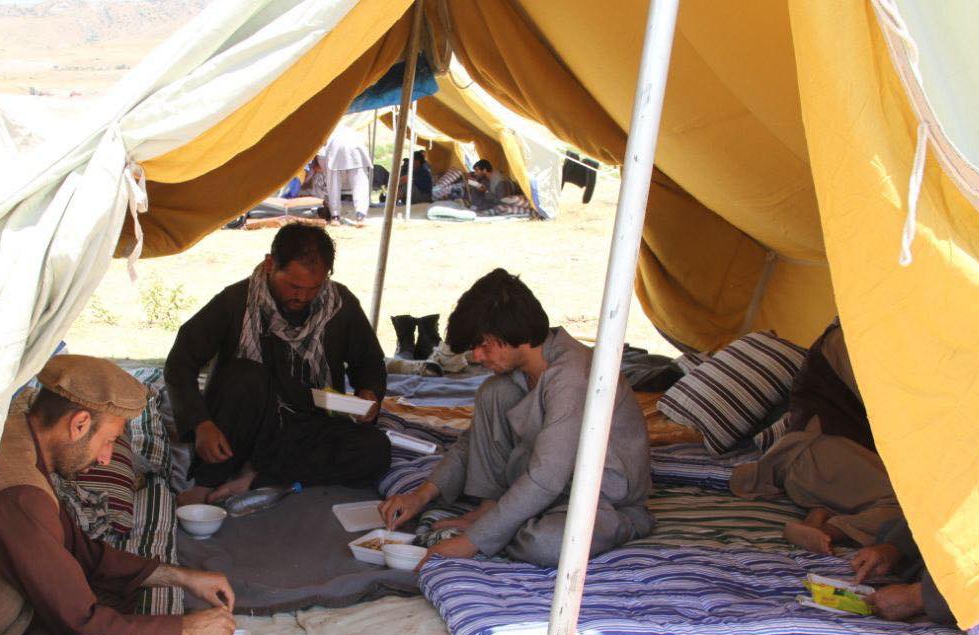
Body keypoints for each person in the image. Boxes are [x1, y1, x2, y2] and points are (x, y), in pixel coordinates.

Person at [0, 355, 237, 635]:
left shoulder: (24, 439)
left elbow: (82, 552)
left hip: (20, 609)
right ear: (79, 424)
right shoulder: (20, 496)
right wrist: (183, 629)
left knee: (116, 595)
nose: (106, 458)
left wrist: (182, 577)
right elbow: (79, 620)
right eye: (109, 441)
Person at [379, 269, 654, 567]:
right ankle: (492, 512)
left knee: (545, 543)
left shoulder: (572, 377)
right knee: (493, 391)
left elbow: (546, 478)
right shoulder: (518, 376)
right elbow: (472, 444)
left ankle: (501, 524)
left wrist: (471, 542)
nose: (477, 357)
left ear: (514, 334)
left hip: (601, 500)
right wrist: (420, 496)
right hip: (548, 490)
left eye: (484, 344)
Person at [166, 223, 390, 504]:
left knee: (376, 449)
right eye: (294, 286)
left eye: (314, 287)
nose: (302, 297)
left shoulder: (340, 304)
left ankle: (256, 477)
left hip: (310, 421)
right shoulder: (235, 302)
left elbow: (369, 360)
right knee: (244, 376)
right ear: (270, 264)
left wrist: (369, 393)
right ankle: (209, 481)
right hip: (246, 424)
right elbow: (180, 362)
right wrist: (201, 423)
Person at [730, 320, 902, 553]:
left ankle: (819, 513)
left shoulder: (862, 335)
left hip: (816, 469)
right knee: (915, 507)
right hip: (818, 459)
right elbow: (896, 415)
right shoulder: (850, 340)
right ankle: (831, 530)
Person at [851, 518, 956, 626]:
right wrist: (893, 548)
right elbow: (933, 516)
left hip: (956, 590)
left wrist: (917, 596)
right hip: (936, 561)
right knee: (888, 527)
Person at [318, 125, 372, 225]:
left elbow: (321, 156)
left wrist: (327, 172)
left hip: (335, 149)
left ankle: (335, 217)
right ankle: (361, 216)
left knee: (333, 187)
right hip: (356, 147)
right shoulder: (351, 130)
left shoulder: (326, 132)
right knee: (360, 185)